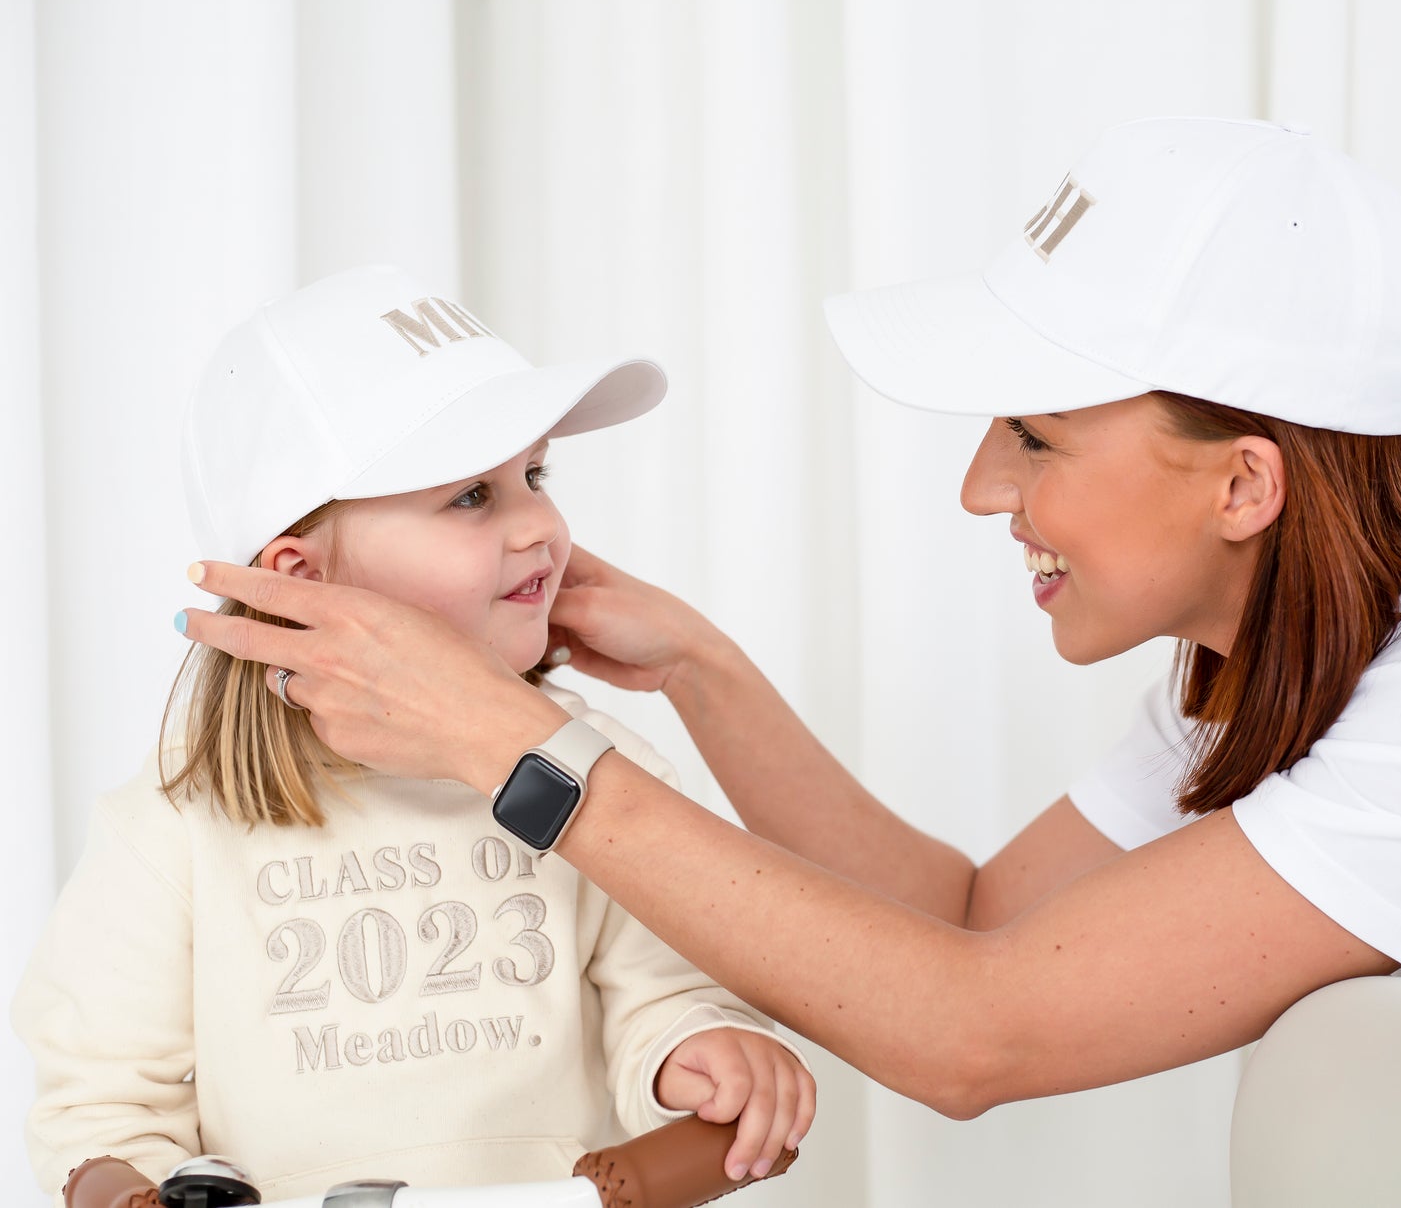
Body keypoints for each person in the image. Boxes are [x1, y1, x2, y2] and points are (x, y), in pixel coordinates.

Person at [175, 121, 1401, 1203]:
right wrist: (704, 673)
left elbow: (974, 1033)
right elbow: (973, 924)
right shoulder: (1295, 645)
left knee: (1359, 1056)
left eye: (1033, 433)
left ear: (1244, 483)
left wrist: (510, 749)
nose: (978, 488)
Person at [15, 267, 814, 1201]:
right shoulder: (177, 824)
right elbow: (104, 1102)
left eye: (535, 475)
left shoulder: (603, 776)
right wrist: (121, 1185)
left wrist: (697, 1045)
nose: (543, 526)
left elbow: (661, 989)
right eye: (473, 496)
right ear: (301, 577)